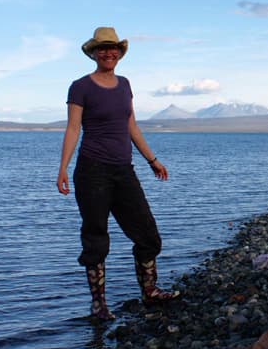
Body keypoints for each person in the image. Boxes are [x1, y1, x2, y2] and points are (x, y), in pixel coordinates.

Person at [56, 26, 180, 321]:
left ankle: (149, 292)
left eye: (113, 49)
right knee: (96, 237)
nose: (108, 53)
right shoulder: (80, 86)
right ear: (94, 53)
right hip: (92, 171)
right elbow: (74, 128)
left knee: (148, 235)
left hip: (124, 171)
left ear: (120, 53)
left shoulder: (125, 85)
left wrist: (152, 159)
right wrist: (63, 167)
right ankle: (99, 304)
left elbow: (131, 126)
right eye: (102, 49)